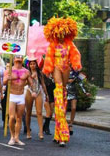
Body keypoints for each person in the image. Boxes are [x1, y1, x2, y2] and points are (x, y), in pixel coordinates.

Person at [42, 17, 82, 147]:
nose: (60, 36)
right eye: (58, 33)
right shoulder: (52, 45)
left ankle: (57, 132)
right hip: (56, 69)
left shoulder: (70, 44)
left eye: (63, 33)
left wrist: (76, 64)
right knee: (59, 95)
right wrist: (48, 69)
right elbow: (48, 58)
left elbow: (75, 55)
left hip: (66, 69)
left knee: (63, 96)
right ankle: (63, 133)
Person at [3, 55, 33, 146]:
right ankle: (12, 136)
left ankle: (17, 137)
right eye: (17, 56)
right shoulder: (9, 70)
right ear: (14, 59)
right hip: (12, 95)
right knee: (11, 117)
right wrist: (7, 79)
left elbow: (31, 83)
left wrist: (31, 82)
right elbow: (3, 82)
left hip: (21, 96)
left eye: (20, 56)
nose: (19, 58)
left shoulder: (26, 71)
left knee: (19, 118)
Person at [25, 58, 49, 140]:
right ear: (29, 65)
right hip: (29, 91)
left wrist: (46, 94)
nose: (32, 65)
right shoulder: (27, 73)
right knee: (28, 112)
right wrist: (30, 77)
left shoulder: (40, 73)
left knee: (39, 112)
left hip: (38, 91)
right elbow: (24, 83)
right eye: (31, 64)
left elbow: (43, 84)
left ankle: (41, 132)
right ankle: (28, 131)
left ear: (36, 64)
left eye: (34, 64)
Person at [67, 69, 90, 135]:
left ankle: (71, 125)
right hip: (65, 91)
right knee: (63, 111)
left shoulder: (76, 72)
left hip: (73, 92)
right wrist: (67, 81)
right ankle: (63, 125)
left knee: (73, 108)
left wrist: (85, 92)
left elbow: (81, 83)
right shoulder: (64, 69)